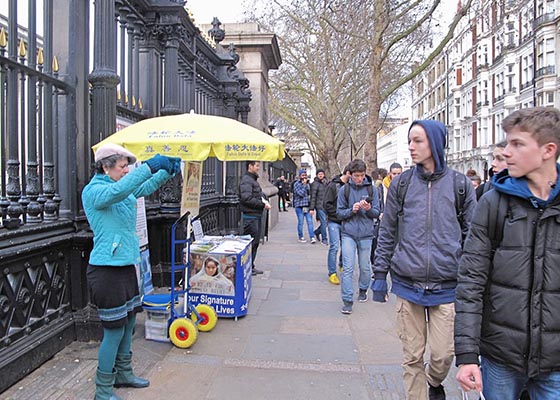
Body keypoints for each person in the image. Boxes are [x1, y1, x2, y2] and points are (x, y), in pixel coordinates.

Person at [455, 107, 560, 400]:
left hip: (555, 362)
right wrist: (466, 355)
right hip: (500, 355)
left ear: (548, 150)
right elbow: (471, 281)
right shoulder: (493, 203)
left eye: (517, 144)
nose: (506, 152)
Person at [372, 120, 476, 400]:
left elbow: (474, 236)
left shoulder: (460, 184)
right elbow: (387, 230)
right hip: (408, 284)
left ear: (435, 142)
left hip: (447, 286)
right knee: (412, 356)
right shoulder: (401, 184)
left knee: (443, 355)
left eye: (417, 140)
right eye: (409, 140)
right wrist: (379, 274)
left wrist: (470, 277)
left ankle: (433, 381)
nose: (411, 146)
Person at [82, 144, 181, 400]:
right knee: (113, 330)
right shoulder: (95, 191)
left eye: (128, 166)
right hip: (106, 270)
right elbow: (119, 190)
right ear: (106, 166)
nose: (127, 170)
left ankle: (124, 374)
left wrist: (168, 171)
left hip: (125, 264)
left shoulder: (121, 185)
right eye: (123, 166)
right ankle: (103, 391)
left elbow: (142, 188)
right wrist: (149, 165)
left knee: (128, 324)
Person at [337, 159, 380, 314]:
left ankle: (363, 289)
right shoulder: (344, 190)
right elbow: (339, 213)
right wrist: (351, 210)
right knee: (348, 268)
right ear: (350, 174)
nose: (359, 178)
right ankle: (347, 300)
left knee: (365, 267)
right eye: (356, 175)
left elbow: (377, 212)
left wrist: (368, 209)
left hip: (366, 234)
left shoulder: (372, 190)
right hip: (348, 233)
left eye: (362, 175)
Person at [239, 161, 271, 276]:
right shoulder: (247, 180)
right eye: (257, 166)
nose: (258, 168)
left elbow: (256, 195)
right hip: (250, 217)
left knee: (255, 242)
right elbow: (246, 198)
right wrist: (262, 204)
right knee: (251, 243)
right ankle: (247, 266)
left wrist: (262, 200)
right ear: (250, 166)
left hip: (254, 216)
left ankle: (250, 265)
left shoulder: (252, 180)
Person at [323, 165, 351, 285]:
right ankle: (332, 272)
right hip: (334, 221)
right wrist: (338, 214)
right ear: (348, 173)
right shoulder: (333, 185)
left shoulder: (352, 186)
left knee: (346, 246)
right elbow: (326, 203)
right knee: (334, 246)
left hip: (346, 221)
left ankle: (342, 265)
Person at [293, 169, 317, 243]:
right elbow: (301, 194)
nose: (304, 177)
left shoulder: (308, 184)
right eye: (302, 175)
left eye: (305, 175)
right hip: (299, 206)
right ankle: (301, 236)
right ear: (300, 176)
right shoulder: (296, 184)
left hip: (307, 206)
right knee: (301, 222)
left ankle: (312, 237)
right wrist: (304, 185)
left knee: (310, 221)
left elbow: (310, 194)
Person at [310, 168, 328, 245]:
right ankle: (324, 239)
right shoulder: (315, 184)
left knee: (326, 222)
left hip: (327, 205)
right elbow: (313, 196)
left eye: (322, 174)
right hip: (319, 205)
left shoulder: (326, 183)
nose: (321, 175)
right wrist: (312, 208)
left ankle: (317, 232)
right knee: (323, 222)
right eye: (319, 174)